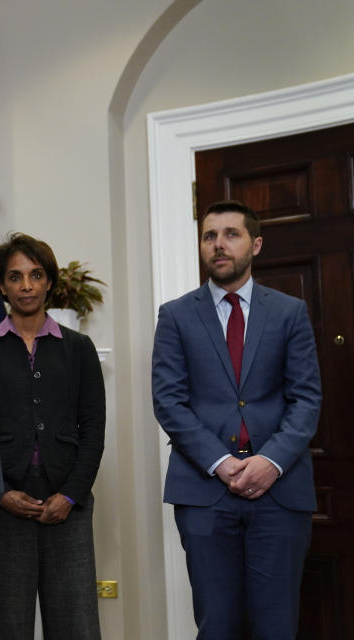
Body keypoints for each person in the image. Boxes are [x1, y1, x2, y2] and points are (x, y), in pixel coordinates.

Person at [152, 200, 321, 639]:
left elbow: (306, 399)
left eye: (231, 234)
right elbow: (169, 401)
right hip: (205, 491)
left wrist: (269, 462)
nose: (219, 245)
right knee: (217, 625)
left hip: (280, 492)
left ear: (256, 244)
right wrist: (222, 464)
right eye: (210, 236)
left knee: (276, 626)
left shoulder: (289, 312)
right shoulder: (175, 316)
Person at [0, 233, 105, 640]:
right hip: (2, 510)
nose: (26, 285)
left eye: (35, 275)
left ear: (49, 281)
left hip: (67, 507)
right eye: (15, 277)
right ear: (1, 286)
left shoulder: (79, 348)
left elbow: (94, 429)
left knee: (75, 626)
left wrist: (70, 496)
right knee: (4, 626)